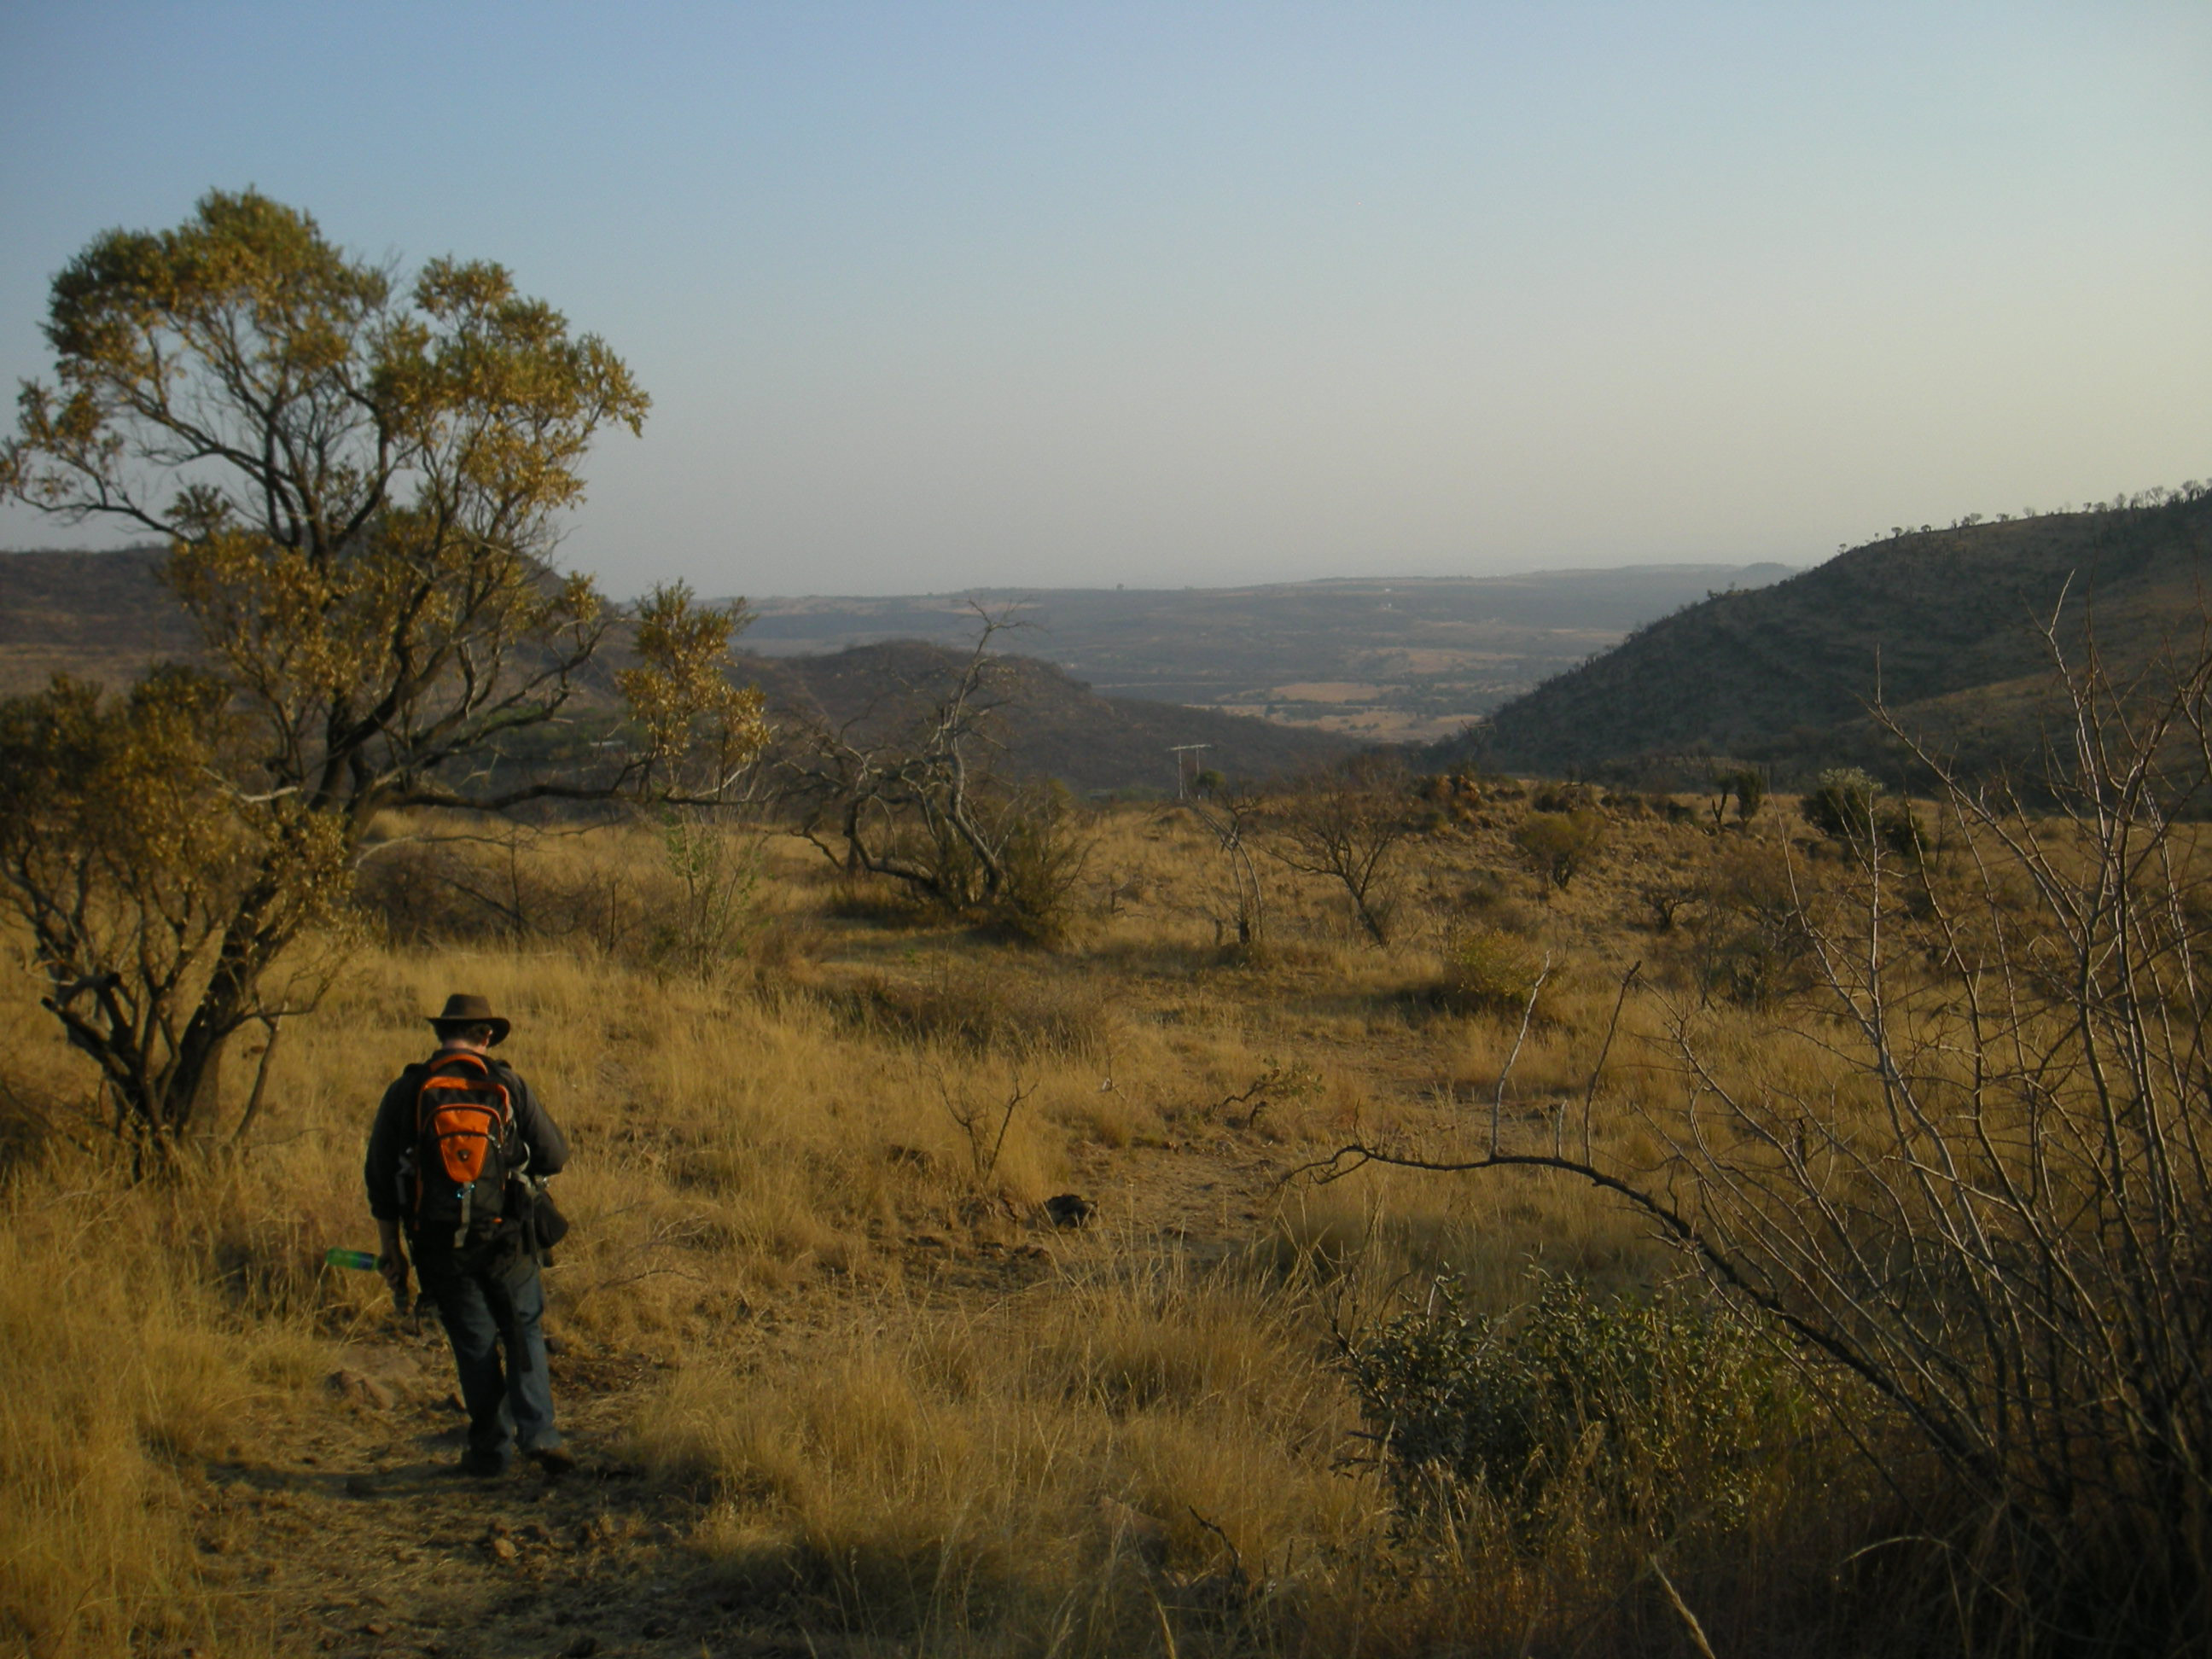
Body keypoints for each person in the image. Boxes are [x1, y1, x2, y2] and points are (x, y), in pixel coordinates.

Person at [364, 993, 572, 1477]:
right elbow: (554, 1155)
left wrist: (390, 1248)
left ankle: (490, 1451)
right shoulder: (506, 1084)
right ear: (486, 1036)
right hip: (508, 1238)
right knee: (523, 1331)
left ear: (442, 1036)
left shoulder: (409, 1088)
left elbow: (380, 1177)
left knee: (474, 1342)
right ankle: (540, 1435)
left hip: (438, 1245)